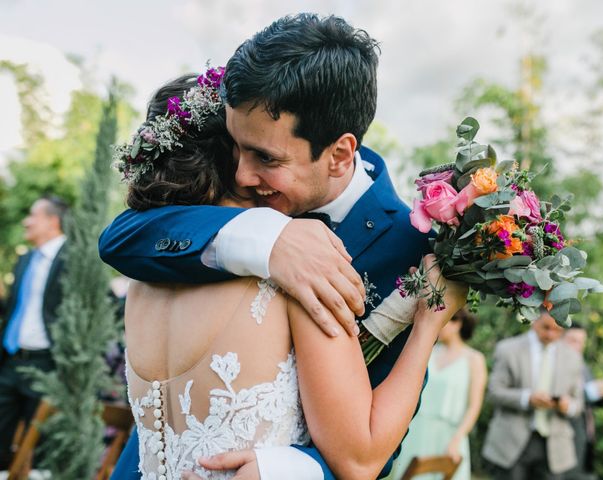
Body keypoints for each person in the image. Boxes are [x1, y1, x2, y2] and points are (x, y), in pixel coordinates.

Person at [100, 14, 441, 480]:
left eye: (265, 158)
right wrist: (265, 237)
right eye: (236, 149)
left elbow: (378, 440)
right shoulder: (245, 204)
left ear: (339, 154)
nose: (243, 174)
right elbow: (120, 237)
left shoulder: (409, 248)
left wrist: (292, 467)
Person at [0, 195, 68, 468]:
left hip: (47, 366)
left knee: (40, 447)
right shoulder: (25, 259)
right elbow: (15, 308)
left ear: (53, 221)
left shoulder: (75, 258)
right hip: (10, 361)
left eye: (32, 215)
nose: (26, 221)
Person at [482, 311, 584, 480]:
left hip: (555, 448)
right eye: (546, 327)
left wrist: (567, 405)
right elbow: (494, 392)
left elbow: (578, 403)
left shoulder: (573, 357)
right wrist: (527, 398)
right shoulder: (508, 349)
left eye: (557, 330)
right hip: (511, 443)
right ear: (534, 321)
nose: (551, 334)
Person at [388, 309, 487, 480]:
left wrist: (457, 439)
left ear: (456, 323)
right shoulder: (428, 352)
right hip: (417, 431)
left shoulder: (474, 359)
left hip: (450, 436)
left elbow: (474, 406)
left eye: (443, 322)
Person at [563, 322, 603, 480]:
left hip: (586, 436)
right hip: (565, 437)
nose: (578, 346)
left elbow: (588, 399)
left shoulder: (583, 366)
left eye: (582, 342)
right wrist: (590, 392)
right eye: (573, 340)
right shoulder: (553, 365)